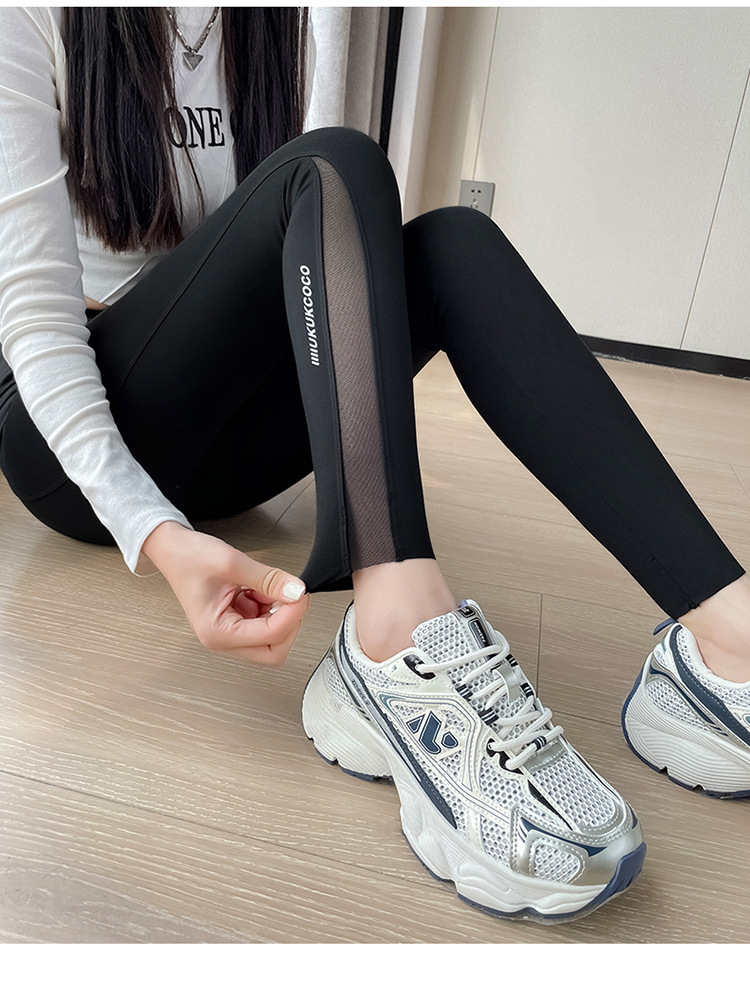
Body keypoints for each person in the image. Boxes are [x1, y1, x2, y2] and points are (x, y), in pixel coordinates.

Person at [1, 7, 748, 925]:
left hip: (224, 441)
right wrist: (154, 532)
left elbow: (299, 265)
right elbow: (34, 324)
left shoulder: (277, 21)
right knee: (331, 162)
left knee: (453, 242)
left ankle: (728, 636)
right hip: (72, 442)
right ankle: (394, 630)